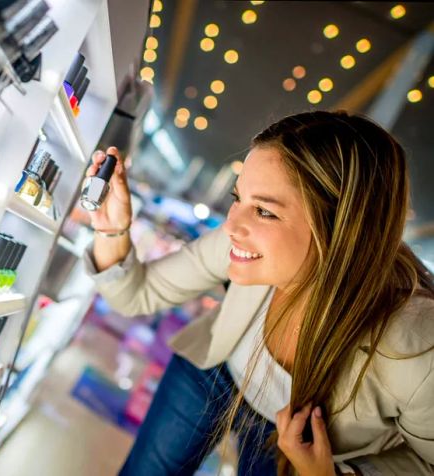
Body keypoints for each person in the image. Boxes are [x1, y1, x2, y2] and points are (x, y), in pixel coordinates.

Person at [83, 111, 434, 476]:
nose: (231, 226)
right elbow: (135, 295)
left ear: (340, 230)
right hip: (215, 371)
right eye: (239, 198)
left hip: (304, 451)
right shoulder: (240, 242)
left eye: (264, 211)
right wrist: (112, 229)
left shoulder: (417, 344)